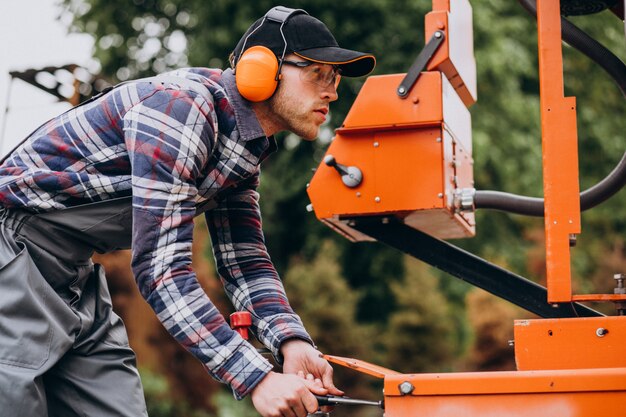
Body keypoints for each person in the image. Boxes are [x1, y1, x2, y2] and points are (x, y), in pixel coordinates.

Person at [0, 5, 375, 417]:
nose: (332, 91)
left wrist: (292, 342)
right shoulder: (181, 109)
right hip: (12, 253)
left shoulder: (243, 150)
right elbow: (161, 269)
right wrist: (256, 377)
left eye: (335, 78)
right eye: (318, 73)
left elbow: (245, 263)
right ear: (262, 68)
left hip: (72, 274)